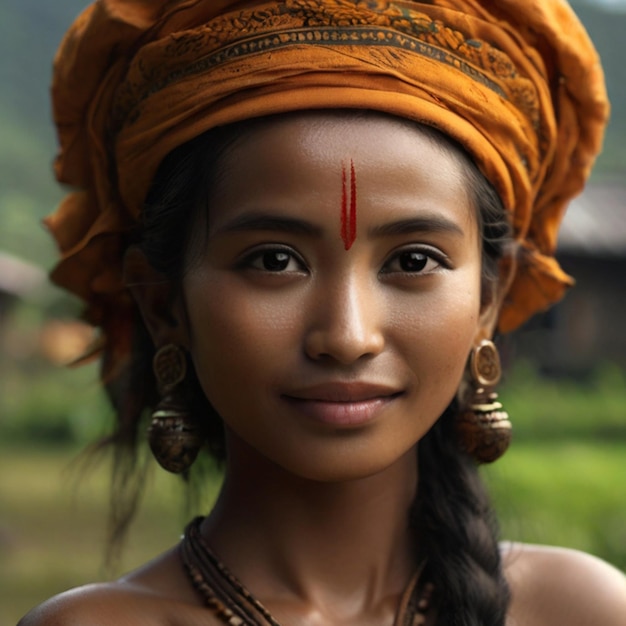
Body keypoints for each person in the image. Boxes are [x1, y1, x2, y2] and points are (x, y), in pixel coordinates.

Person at [18, 1, 626, 624]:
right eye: (274, 261)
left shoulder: (585, 609)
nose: (347, 336)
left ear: (487, 302)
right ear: (163, 304)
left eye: (414, 261)